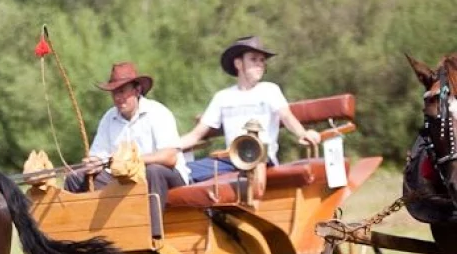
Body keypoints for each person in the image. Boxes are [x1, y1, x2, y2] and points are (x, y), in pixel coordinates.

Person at [178, 36, 321, 183]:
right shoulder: (223, 97)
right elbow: (196, 135)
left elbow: (286, 116)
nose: (259, 64)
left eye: (262, 60)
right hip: (231, 160)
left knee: (253, 155)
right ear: (238, 63)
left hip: (261, 157)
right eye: (253, 59)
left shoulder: (270, 90)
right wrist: (166, 149)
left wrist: (303, 133)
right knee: (181, 172)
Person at [64, 62, 189, 214]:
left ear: (137, 90)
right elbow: (99, 156)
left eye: (122, 91)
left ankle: (152, 233)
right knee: (76, 177)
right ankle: (79, 232)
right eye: (114, 93)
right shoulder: (108, 118)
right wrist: (93, 164)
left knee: (153, 171)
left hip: (166, 178)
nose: (118, 97)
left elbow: (170, 158)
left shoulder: (158, 112)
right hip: (122, 180)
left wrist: (130, 160)